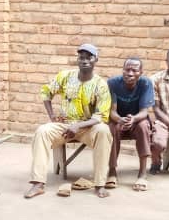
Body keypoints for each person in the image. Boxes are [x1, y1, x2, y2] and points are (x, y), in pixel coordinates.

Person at [24, 42, 113, 199]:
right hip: (64, 126)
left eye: (89, 57)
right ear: (77, 59)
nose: (84, 61)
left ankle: (100, 184)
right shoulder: (65, 76)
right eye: (81, 57)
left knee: (104, 130)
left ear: (96, 60)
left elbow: (101, 117)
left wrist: (78, 125)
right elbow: (46, 92)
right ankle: (38, 183)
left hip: (87, 128)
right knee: (42, 131)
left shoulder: (101, 85)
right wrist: (52, 116)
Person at [106, 57, 154, 191]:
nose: (130, 73)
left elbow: (144, 111)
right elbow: (112, 111)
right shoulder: (113, 83)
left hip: (137, 120)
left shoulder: (145, 83)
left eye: (135, 70)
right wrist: (120, 120)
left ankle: (142, 174)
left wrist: (133, 119)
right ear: (123, 70)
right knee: (111, 127)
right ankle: (112, 171)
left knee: (144, 126)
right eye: (127, 69)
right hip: (118, 121)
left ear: (141, 72)